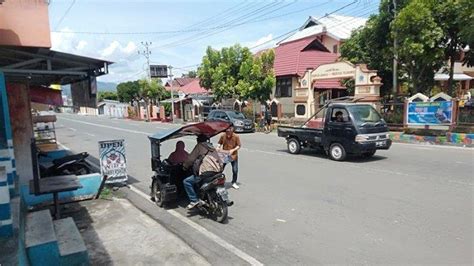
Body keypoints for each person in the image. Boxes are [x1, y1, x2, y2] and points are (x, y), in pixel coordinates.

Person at [182, 135, 223, 210]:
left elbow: (190, 159)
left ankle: (194, 200)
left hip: (206, 173)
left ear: (198, 140)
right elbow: (220, 160)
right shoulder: (212, 147)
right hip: (217, 172)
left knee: (186, 181)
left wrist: (185, 166)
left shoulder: (199, 146)